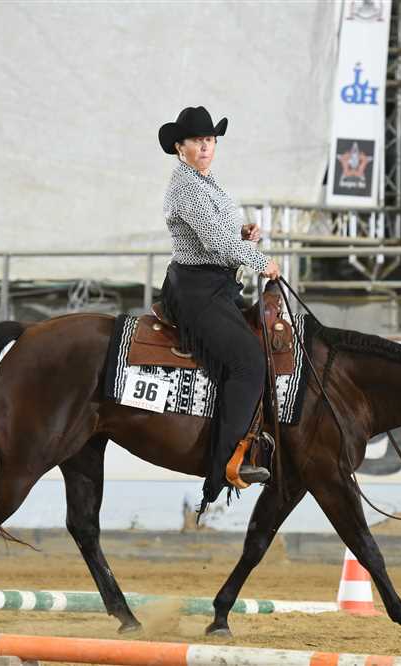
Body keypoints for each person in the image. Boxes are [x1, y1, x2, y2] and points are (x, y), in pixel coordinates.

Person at [156, 105, 281, 511]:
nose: (206, 146)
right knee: (248, 363)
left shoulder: (204, 181)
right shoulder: (187, 187)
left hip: (217, 286)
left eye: (210, 140)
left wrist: (242, 233)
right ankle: (227, 463)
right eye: (198, 141)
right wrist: (259, 260)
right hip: (197, 291)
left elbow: (219, 233)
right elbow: (214, 242)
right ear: (180, 147)